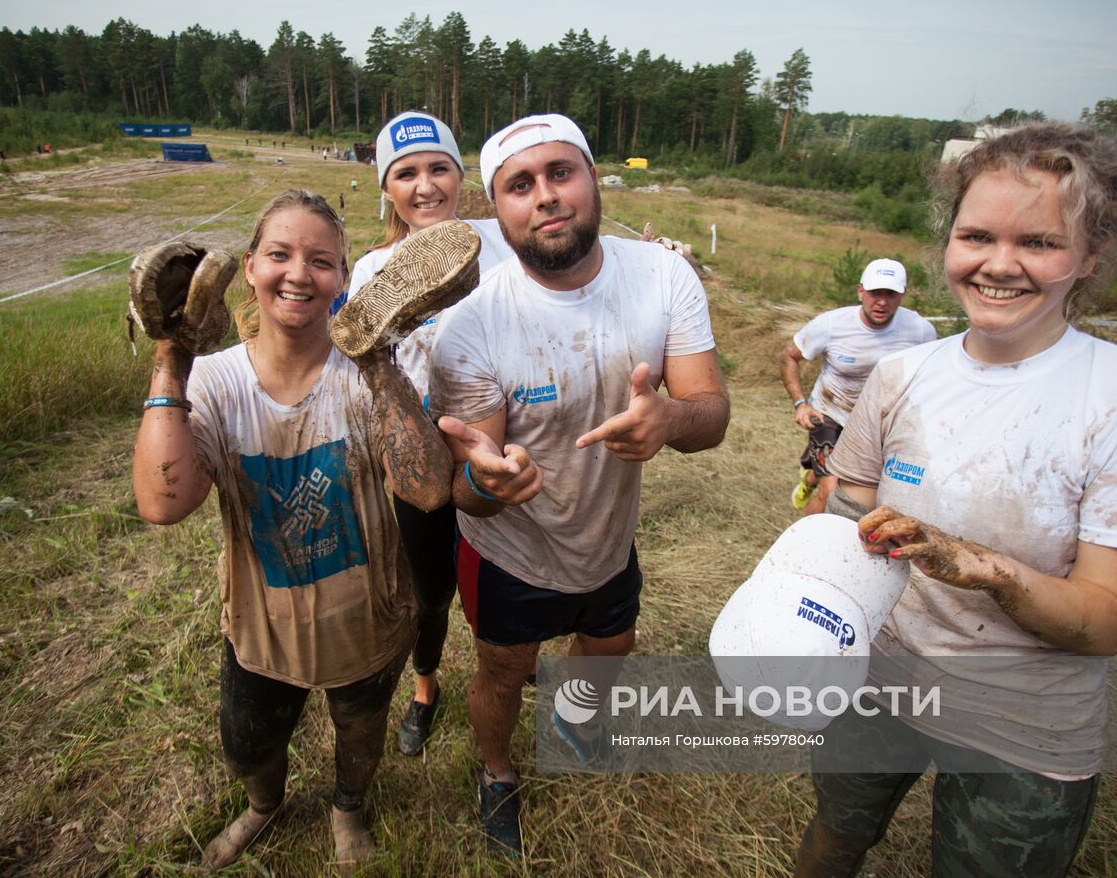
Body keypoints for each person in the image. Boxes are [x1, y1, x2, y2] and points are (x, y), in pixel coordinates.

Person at [793, 122, 1117, 877]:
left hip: (1025, 721)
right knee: (837, 830)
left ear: (1093, 254)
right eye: (976, 234)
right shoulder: (903, 375)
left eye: (1040, 243)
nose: (999, 264)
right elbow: (846, 504)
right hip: (881, 678)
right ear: (948, 240)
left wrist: (984, 567)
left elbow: (1105, 621)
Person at [428, 114, 731, 855]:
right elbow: (464, 488)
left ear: (594, 179)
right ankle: (497, 772)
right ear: (496, 211)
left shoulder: (663, 276)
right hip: (512, 550)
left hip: (608, 536)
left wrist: (668, 419)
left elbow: (712, 413)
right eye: (520, 185)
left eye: (562, 172)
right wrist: (488, 477)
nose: (546, 196)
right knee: (503, 670)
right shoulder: (470, 326)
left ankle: (574, 718)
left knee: (613, 642)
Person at [131, 190, 452, 869]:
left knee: (360, 738)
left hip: (367, 623)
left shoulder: (365, 376)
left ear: (343, 277)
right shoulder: (215, 382)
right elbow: (163, 501)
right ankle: (263, 804)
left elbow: (427, 487)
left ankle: (348, 806)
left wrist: (380, 358)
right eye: (279, 254)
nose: (299, 273)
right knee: (247, 743)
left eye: (322, 260)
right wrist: (170, 355)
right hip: (260, 627)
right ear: (249, 267)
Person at [348, 111, 516, 757]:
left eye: (438, 167)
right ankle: (425, 687)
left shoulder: (499, 244)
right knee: (427, 589)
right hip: (417, 457)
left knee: (496, 577)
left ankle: (499, 670)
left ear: (459, 173)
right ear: (386, 187)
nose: (425, 185)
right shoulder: (372, 270)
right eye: (406, 173)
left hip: (492, 446)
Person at [778, 259, 936, 514]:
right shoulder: (832, 325)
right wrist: (801, 404)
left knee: (866, 489)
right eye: (875, 293)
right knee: (832, 490)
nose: (882, 302)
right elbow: (788, 356)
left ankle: (809, 478)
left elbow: (929, 374)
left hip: (878, 423)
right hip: (830, 413)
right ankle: (805, 549)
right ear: (860, 291)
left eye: (890, 294)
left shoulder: (920, 330)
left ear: (903, 294)